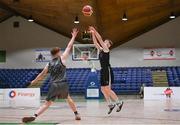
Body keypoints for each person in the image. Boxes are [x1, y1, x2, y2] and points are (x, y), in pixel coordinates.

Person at [22, 28, 81, 123]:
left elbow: (41, 75)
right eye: (59, 51)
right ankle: (76, 114)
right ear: (57, 53)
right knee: (68, 98)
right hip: (63, 83)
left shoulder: (48, 64)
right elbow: (69, 47)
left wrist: (32, 82)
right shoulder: (62, 59)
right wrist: (73, 36)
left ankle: (35, 115)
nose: (61, 52)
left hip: (54, 85)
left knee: (47, 103)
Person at [89, 26, 123, 114]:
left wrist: (94, 30)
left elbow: (99, 39)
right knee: (102, 89)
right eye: (104, 42)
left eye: (105, 42)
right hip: (102, 70)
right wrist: (93, 34)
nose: (104, 42)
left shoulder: (106, 50)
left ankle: (119, 102)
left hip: (107, 70)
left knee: (107, 89)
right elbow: (95, 42)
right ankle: (110, 104)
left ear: (108, 45)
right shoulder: (100, 50)